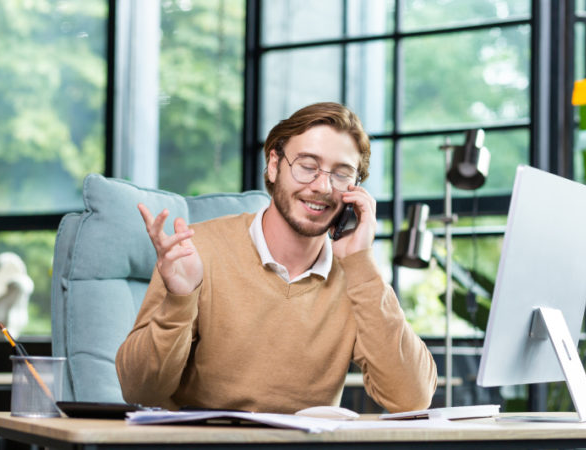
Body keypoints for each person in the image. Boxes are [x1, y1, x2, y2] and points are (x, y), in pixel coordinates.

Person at [115, 102, 437, 414]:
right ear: (273, 164)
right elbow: (141, 391)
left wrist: (361, 265)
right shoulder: (194, 251)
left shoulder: (355, 276)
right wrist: (179, 300)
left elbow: (412, 398)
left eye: (341, 175)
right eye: (308, 166)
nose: (323, 186)